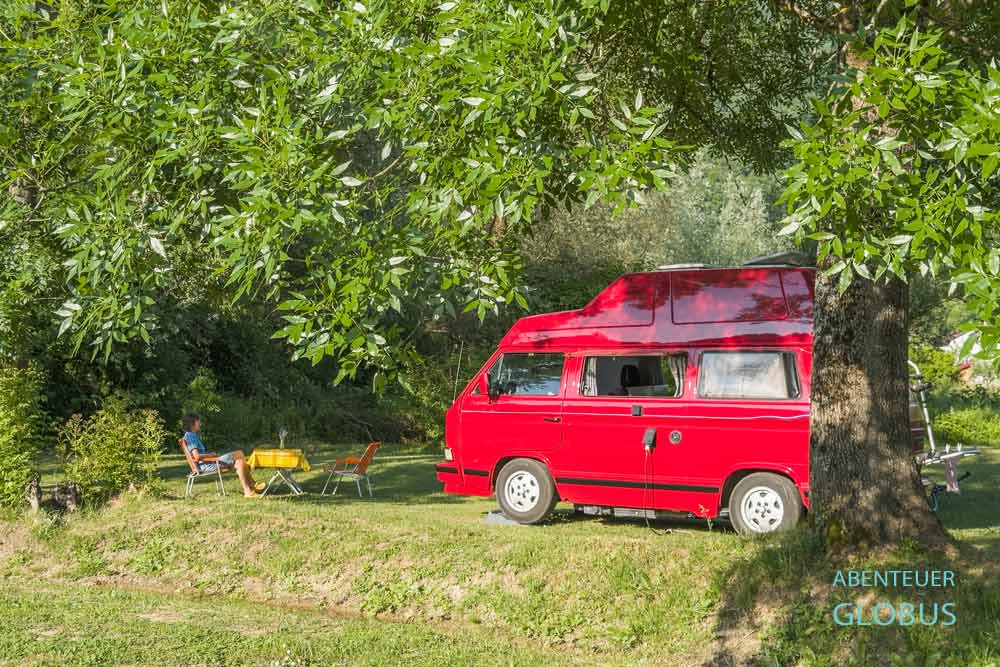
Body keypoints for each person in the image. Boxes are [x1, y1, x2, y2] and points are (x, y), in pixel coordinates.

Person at [182, 414, 265, 497]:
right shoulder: (191, 436)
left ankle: (248, 492)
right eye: (198, 422)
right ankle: (253, 483)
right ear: (192, 423)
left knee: (239, 462)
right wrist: (211, 455)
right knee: (239, 453)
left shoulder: (190, 435)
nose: (200, 424)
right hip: (207, 465)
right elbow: (196, 456)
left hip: (207, 464)